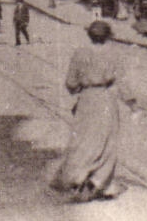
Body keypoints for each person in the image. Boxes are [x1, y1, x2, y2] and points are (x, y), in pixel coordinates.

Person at [52, 20, 134, 202]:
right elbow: (122, 82)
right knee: (107, 142)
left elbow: (71, 83)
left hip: (86, 101)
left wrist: (78, 89)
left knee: (82, 140)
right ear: (107, 36)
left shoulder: (80, 53)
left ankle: (77, 177)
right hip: (106, 100)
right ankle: (99, 182)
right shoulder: (114, 54)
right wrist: (131, 103)